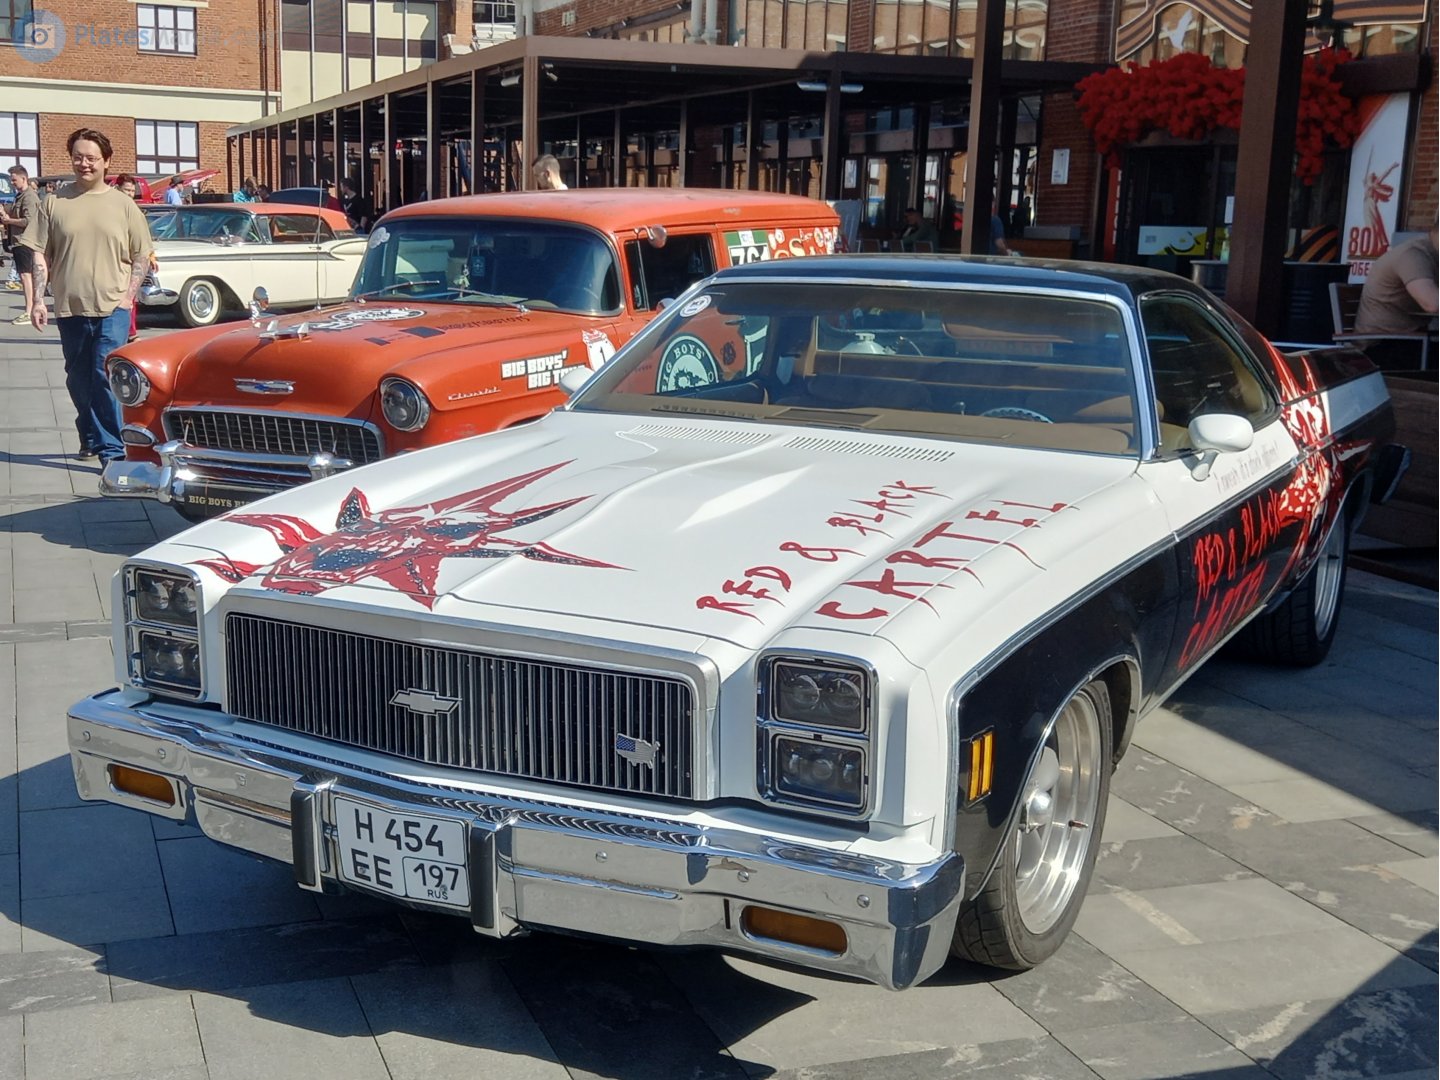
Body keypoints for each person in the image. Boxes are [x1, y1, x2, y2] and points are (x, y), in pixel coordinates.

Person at [31, 128, 150, 465]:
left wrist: (128, 298)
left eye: (91, 158)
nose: (84, 163)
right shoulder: (53, 202)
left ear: (106, 161)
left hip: (113, 306)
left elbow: (141, 256)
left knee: (103, 372)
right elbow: (40, 253)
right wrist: (39, 300)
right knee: (78, 378)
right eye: (78, 157)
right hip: (70, 307)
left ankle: (112, 452)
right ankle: (89, 431)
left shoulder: (123, 205)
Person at [1354, 224, 1438, 369]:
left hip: (1409, 341)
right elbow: (1432, 303)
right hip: (1381, 347)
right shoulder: (1413, 255)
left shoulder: (1431, 254)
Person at [115, 174, 156, 343]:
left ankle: (130, 332)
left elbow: (143, 237)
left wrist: (151, 255)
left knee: (131, 297)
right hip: (117, 260)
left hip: (133, 260)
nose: (130, 194)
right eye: (127, 190)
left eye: (132, 191)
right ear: (118, 189)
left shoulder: (134, 211)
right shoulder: (113, 209)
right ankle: (127, 332)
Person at [0, 166, 41, 324]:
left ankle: (29, 310)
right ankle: (29, 309)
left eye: (14, 179)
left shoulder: (29, 197)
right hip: (19, 241)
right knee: (25, 276)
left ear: (24, 178)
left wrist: (9, 221)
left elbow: (29, 221)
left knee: (26, 276)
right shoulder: (20, 196)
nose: (12, 183)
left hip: (25, 241)